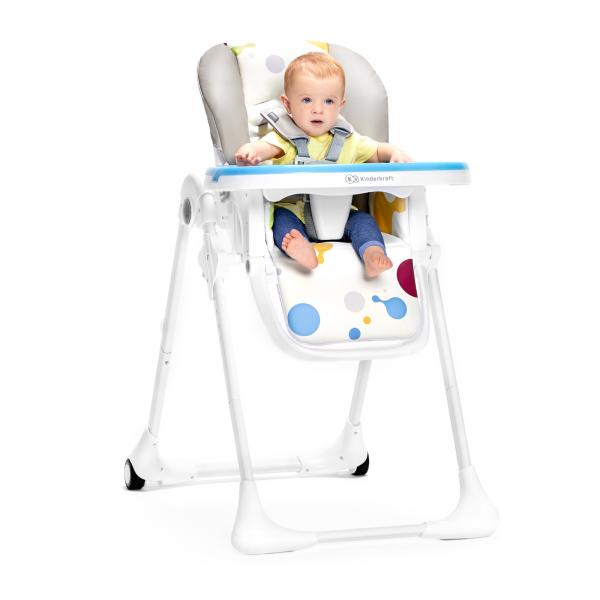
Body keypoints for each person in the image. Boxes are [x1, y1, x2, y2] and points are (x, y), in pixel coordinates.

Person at [235, 52, 412, 277]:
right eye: (307, 100)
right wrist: (250, 153)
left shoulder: (349, 141)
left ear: (340, 105)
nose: (318, 109)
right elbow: (263, 148)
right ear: (287, 104)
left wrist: (395, 153)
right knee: (281, 220)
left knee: (363, 221)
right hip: (295, 213)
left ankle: (372, 253)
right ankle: (299, 247)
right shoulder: (285, 139)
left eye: (328, 101)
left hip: (340, 216)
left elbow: (377, 151)